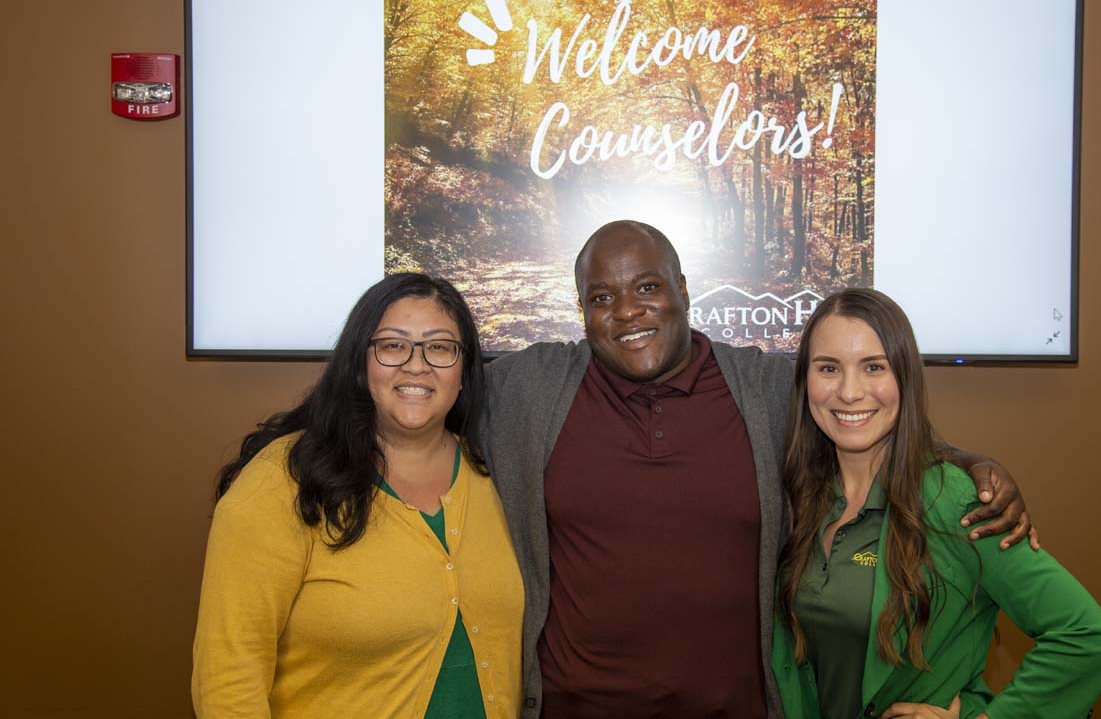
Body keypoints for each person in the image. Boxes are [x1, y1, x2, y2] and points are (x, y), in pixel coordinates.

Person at [482, 220, 1034, 719]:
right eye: (601, 297)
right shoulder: (532, 390)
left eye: (647, 287)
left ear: (683, 291)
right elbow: (432, 401)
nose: (627, 310)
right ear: (582, 312)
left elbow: (857, 413)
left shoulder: (763, 388)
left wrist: (967, 460)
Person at [773, 288, 1101, 719]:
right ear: (804, 379)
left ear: (904, 378)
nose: (848, 392)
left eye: (873, 367)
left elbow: (1086, 638)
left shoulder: (955, 501)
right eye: (828, 368)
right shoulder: (795, 496)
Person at [192, 274, 524, 718]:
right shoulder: (281, 482)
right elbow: (227, 682)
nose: (416, 364)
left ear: (464, 372)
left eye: (440, 347)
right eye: (393, 345)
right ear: (359, 363)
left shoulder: (498, 473)